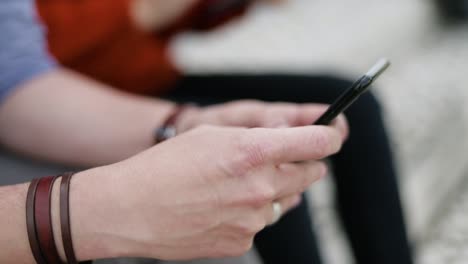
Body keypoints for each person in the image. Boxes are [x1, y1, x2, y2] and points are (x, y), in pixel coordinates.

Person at [35, 0, 415, 264]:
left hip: (150, 77)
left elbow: (186, 23)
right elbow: (36, 56)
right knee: (258, 156)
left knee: (352, 105)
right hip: (80, 96)